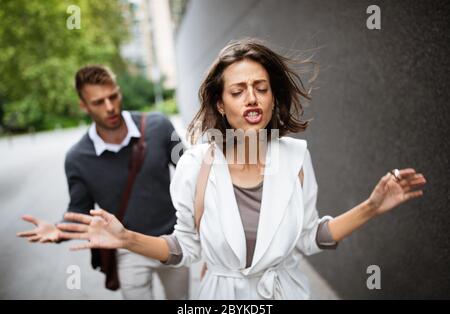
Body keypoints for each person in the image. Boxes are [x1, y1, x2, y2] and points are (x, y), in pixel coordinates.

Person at [55, 40, 427, 299]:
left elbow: (310, 238)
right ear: (220, 103)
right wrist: (126, 239)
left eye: (260, 87)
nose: (251, 97)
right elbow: (184, 248)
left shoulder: (297, 157)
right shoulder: (195, 165)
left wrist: (372, 207)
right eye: (238, 91)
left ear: (271, 96)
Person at [16, 65, 189, 300]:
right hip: (127, 248)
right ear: (84, 106)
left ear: (119, 92)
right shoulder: (77, 158)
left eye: (113, 96)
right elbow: (78, 210)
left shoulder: (159, 125)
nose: (110, 107)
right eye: (98, 102)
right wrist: (58, 229)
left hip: (173, 240)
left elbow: (191, 172)